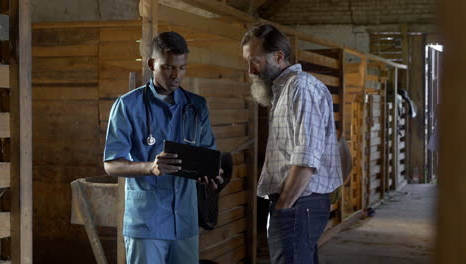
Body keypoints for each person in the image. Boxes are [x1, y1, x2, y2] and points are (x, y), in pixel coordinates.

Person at [103, 31, 222, 264]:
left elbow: (209, 155)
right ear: (151, 64)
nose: (176, 75)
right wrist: (150, 167)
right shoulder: (128, 105)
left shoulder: (196, 107)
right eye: (168, 67)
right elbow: (111, 165)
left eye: (182, 68)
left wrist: (210, 176)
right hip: (147, 223)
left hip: (185, 222)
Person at [241, 24, 343, 264]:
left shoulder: (301, 87)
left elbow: (306, 159)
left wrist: (284, 206)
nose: (250, 69)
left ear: (278, 57)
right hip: (297, 203)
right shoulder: (283, 89)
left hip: (299, 202)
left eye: (255, 61)